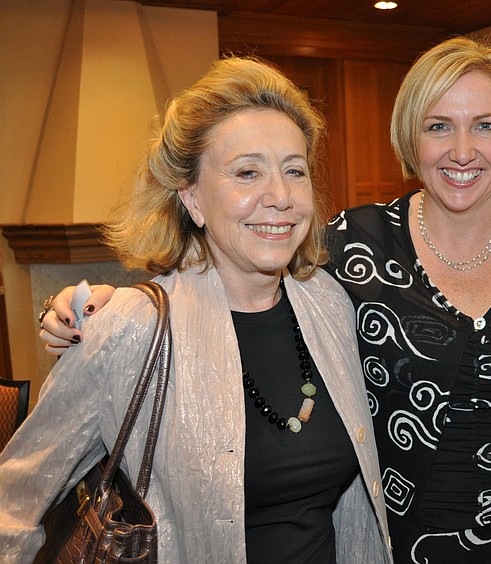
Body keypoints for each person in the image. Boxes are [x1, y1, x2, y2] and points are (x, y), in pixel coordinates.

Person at [39, 37, 491, 562]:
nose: (462, 149)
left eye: (486, 126)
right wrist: (112, 307)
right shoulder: (351, 250)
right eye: (438, 126)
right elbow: (232, 268)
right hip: (400, 543)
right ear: (409, 141)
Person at [1, 56, 392, 563]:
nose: (280, 196)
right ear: (192, 199)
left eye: (294, 171)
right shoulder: (130, 328)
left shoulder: (330, 303)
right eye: (247, 172)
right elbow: (13, 502)